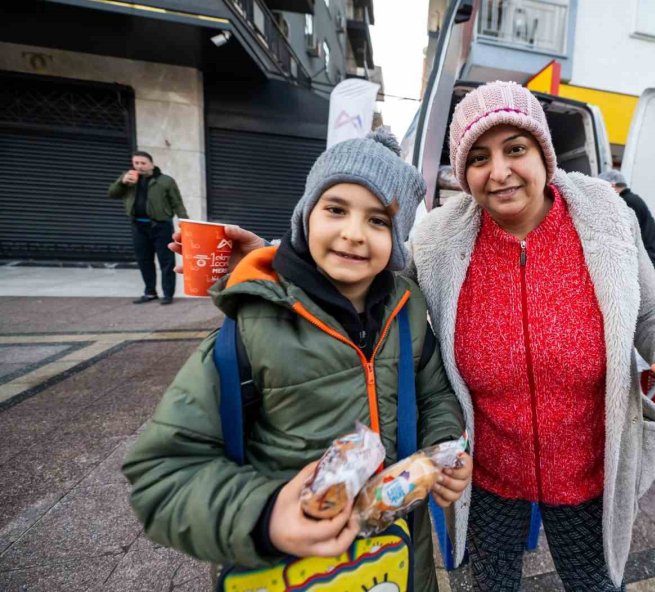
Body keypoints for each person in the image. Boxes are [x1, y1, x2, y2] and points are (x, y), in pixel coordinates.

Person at [172, 82, 655, 591]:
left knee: (594, 583)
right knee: (489, 587)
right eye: (479, 158)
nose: (499, 171)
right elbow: (362, 271)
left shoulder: (605, 216)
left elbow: (654, 311)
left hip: (589, 466)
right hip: (485, 471)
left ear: (543, 154)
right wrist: (272, 261)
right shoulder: (440, 237)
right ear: (463, 173)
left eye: (515, 148)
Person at [123, 129, 473, 592]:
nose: (353, 233)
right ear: (306, 215)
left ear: (398, 239)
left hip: (399, 560)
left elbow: (434, 394)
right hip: (289, 571)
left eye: (377, 220)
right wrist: (266, 516)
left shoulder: (408, 312)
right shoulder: (254, 323)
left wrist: (443, 448)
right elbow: (161, 475)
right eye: (335, 209)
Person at [108, 151, 188, 305]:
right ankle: (150, 292)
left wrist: (186, 223)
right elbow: (112, 194)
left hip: (161, 226)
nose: (139, 166)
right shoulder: (129, 179)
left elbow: (177, 203)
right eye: (136, 163)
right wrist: (122, 182)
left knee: (166, 261)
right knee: (144, 260)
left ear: (151, 164)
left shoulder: (165, 181)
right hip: (138, 226)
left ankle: (168, 294)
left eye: (143, 163)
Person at [598, 169, 655, 278]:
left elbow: (622, 238)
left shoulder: (626, 203)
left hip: (646, 274)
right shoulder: (633, 200)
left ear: (612, 185)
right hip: (649, 270)